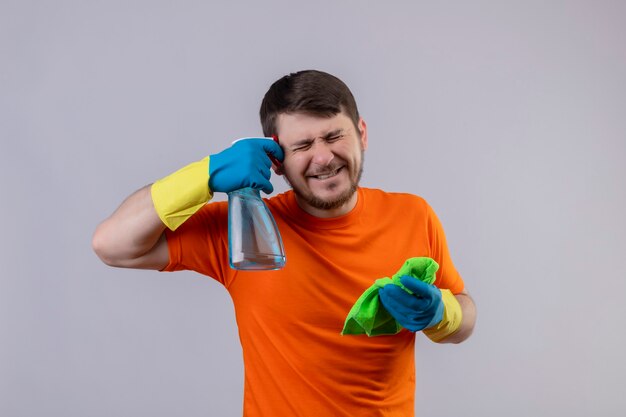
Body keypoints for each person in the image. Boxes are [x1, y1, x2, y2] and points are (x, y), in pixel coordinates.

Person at [92, 69, 477, 417]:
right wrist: (206, 173)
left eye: (333, 135)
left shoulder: (413, 214)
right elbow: (112, 243)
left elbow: (464, 317)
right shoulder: (245, 228)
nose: (323, 157)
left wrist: (442, 313)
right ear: (276, 159)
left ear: (361, 133)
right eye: (302, 145)